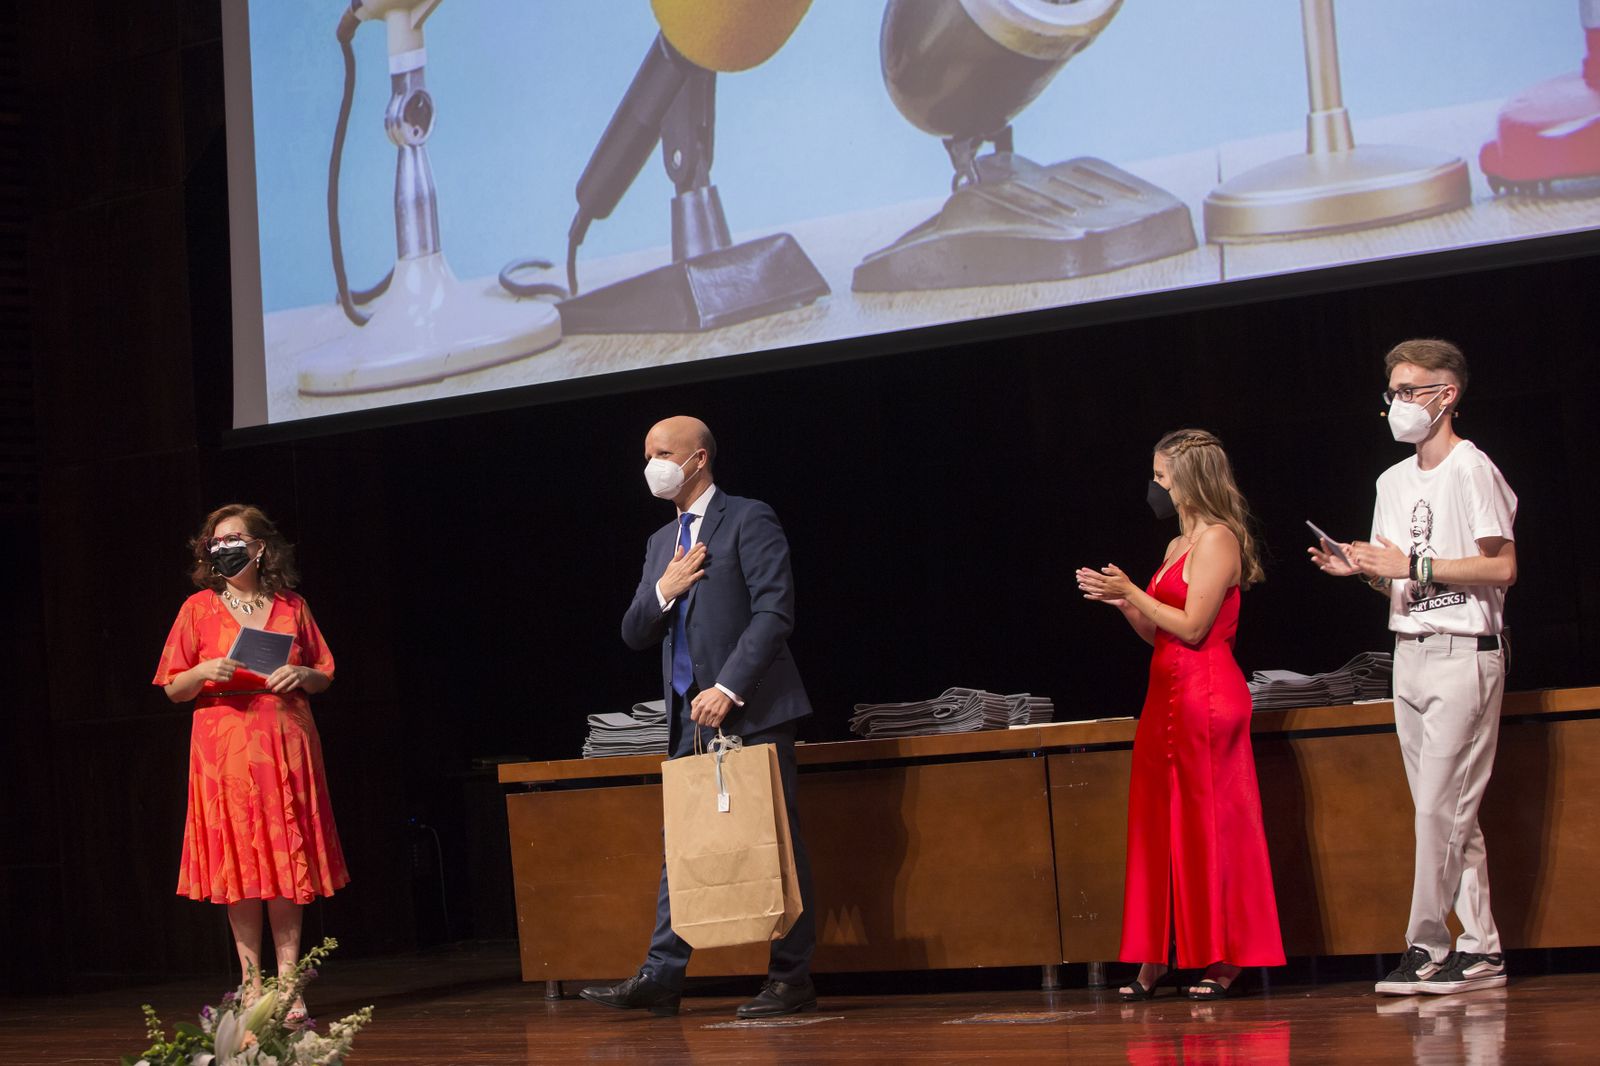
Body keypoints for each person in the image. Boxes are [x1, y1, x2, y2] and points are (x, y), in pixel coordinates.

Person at [580, 416, 817, 1020]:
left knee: (775, 838)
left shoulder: (747, 517)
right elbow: (634, 631)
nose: (652, 464)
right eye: (647, 453)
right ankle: (663, 975)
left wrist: (730, 686)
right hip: (688, 719)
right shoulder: (663, 543)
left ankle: (790, 978)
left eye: (663, 453)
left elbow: (774, 612)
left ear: (699, 459)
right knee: (684, 845)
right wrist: (664, 588)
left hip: (751, 708)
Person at [1310, 339, 1516, 996]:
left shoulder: (1472, 468)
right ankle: (1481, 951)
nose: (1397, 404)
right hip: (1411, 652)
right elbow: (1396, 576)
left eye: (1409, 391)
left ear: (1445, 395)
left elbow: (1502, 567)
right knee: (1453, 811)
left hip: (1466, 653)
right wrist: (1363, 570)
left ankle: (1426, 946)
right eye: (1391, 393)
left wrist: (1410, 566)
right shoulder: (1391, 482)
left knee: (1438, 810)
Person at [1077, 429, 1285, 1000]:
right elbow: (1157, 632)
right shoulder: (1177, 547)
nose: (1155, 486)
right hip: (1165, 695)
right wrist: (1121, 601)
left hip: (1208, 695)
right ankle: (1157, 957)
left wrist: (1135, 594)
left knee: (1212, 827)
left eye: (1162, 476)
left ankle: (1223, 958)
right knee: (1159, 827)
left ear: (1189, 479)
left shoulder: (1219, 539)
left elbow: (1194, 628)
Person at [153, 504, 348, 1020]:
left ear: (260, 547)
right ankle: (251, 984)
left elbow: (323, 673)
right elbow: (173, 687)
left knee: (287, 858)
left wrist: (301, 674)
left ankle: (288, 987)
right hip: (225, 747)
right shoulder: (197, 608)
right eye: (215, 542)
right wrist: (203, 670)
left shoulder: (292, 605)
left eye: (234, 539)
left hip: (284, 737)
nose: (224, 549)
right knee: (239, 861)